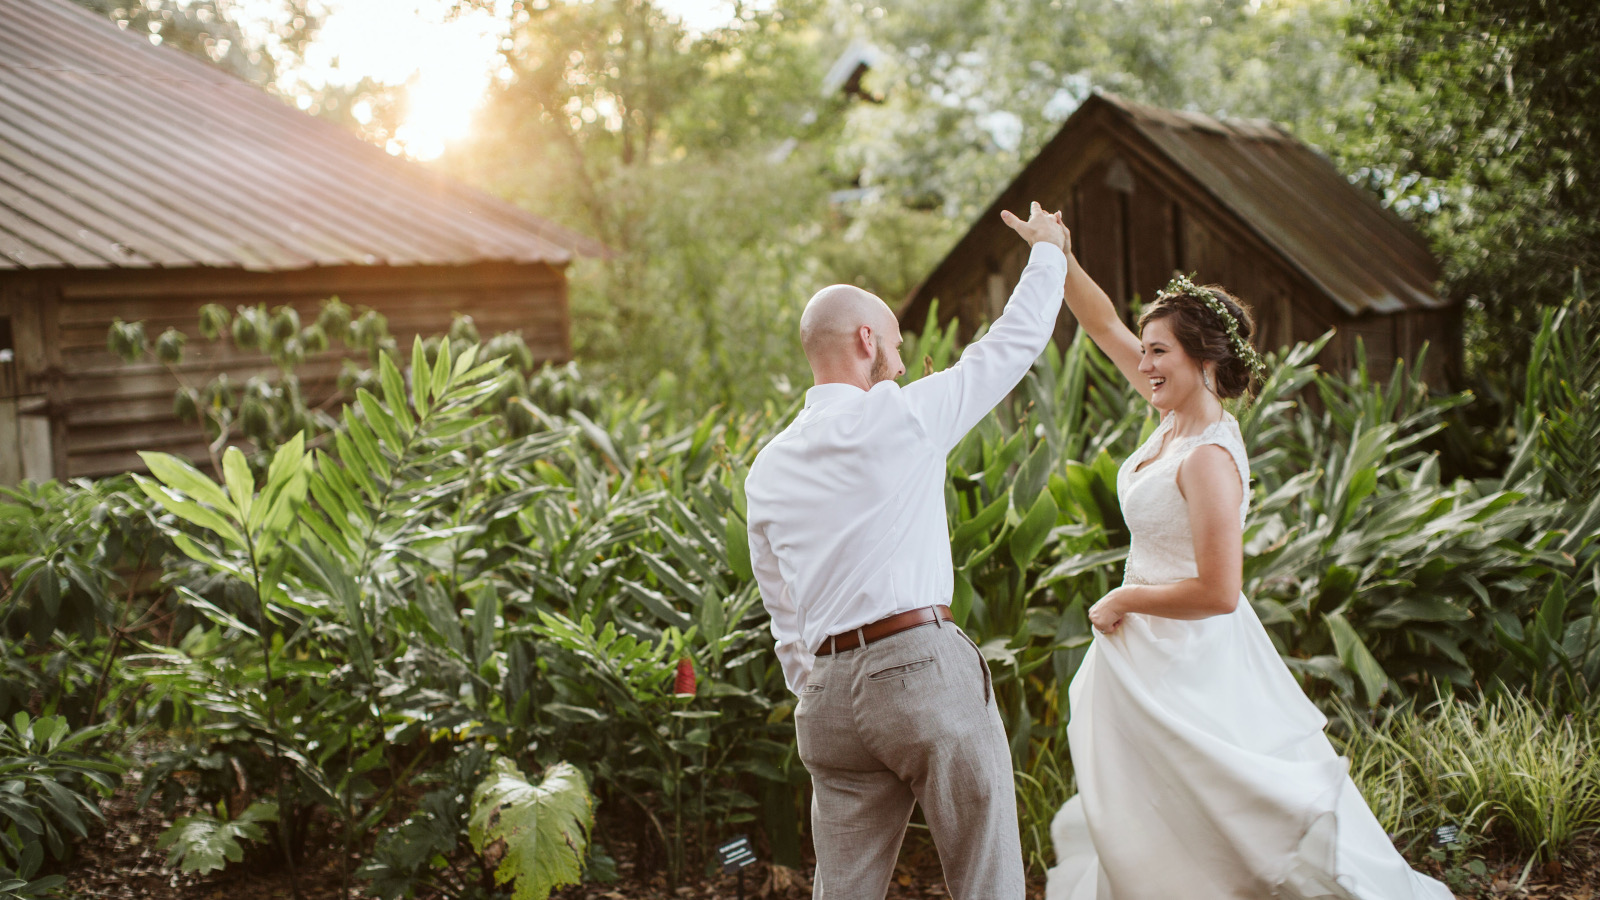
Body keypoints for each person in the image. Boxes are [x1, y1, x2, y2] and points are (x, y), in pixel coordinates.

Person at [1043, 263, 1454, 899]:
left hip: (1192, 660)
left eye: (1159, 351)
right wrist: (1059, 255)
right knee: (1162, 816)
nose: (1144, 362)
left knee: (1226, 816)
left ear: (1204, 359)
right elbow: (1101, 324)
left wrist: (1123, 597)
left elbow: (1219, 591)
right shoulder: (1172, 412)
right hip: (1146, 656)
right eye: (1145, 349)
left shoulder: (1206, 454)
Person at [745, 201, 1071, 899]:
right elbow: (1010, 346)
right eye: (893, 339)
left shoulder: (767, 466)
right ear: (866, 339)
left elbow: (780, 605)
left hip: (827, 701)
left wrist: (817, 684)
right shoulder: (904, 416)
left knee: (844, 892)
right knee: (986, 877)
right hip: (918, 671)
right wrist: (1047, 250)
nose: (899, 355)